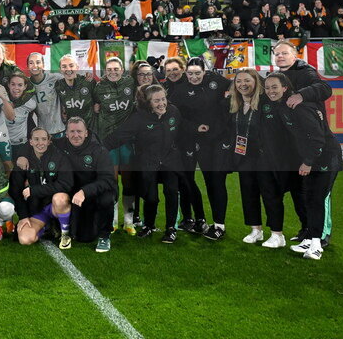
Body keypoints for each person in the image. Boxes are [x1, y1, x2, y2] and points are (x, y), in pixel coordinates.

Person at [262, 73, 343, 260]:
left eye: (274, 87)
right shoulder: (283, 106)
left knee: (316, 199)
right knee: (308, 198)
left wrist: (307, 162)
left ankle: (317, 245)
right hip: (311, 159)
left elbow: (317, 138)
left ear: (284, 87)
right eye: (267, 88)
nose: (270, 91)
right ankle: (309, 238)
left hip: (325, 159)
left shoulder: (299, 105)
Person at [272, 40, 335, 246]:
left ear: (295, 55)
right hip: (293, 146)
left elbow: (324, 88)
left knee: (319, 193)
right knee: (300, 192)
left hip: (315, 144)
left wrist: (301, 94)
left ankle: (321, 235)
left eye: (284, 53)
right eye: (277, 54)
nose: (280, 56)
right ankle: (307, 230)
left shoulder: (305, 71)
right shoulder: (279, 77)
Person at [103, 84, 183, 244]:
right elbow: (117, 137)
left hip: (170, 161)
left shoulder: (174, 112)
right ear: (148, 103)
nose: (162, 104)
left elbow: (182, 132)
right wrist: (98, 150)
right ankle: (149, 225)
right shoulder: (139, 118)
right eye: (156, 101)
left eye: (163, 99)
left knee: (171, 192)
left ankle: (171, 229)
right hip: (148, 163)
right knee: (151, 198)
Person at [236, 69, 303, 249]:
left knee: (270, 194)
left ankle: (277, 234)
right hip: (245, 157)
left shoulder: (267, 101)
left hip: (266, 157)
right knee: (248, 194)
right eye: (239, 81)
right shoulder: (235, 103)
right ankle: (255, 230)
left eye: (247, 81)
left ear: (256, 82)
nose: (243, 84)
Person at [168, 59, 231, 240]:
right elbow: (174, 115)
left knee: (216, 181)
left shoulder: (217, 81)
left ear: (205, 71)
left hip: (218, 141)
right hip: (195, 141)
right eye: (190, 73)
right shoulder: (180, 91)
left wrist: (229, 102)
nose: (194, 77)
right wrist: (194, 127)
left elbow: (238, 86)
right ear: (185, 74)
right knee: (200, 181)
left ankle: (219, 225)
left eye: (197, 73)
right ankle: (207, 222)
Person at [56, 117, 117, 253]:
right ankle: (55, 228)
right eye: (72, 131)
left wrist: (84, 191)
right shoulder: (60, 145)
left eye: (79, 131)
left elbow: (107, 180)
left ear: (86, 133)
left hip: (96, 192)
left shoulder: (99, 150)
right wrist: (23, 156)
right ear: (66, 134)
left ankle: (104, 235)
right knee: (82, 237)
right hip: (75, 194)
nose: (75, 135)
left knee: (107, 198)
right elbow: (38, 143)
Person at [92, 57, 138, 234]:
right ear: (105, 71)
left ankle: (128, 221)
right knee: (111, 181)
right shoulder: (99, 87)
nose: (113, 71)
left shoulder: (130, 82)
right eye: (109, 69)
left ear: (122, 70)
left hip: (126, 141)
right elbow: (94, 106)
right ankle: (112, 219)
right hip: (108, 141)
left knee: (128, 182)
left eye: (116, 68)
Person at [14, 128, 72, 246]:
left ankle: (65, 234)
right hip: (37, 210)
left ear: (49, 141)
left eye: (43, 139)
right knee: (25, 239)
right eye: (36, 139)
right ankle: (46, 228)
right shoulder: (23, 160)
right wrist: (23, 216)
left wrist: (34, 190)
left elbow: (66, 184)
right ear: (30, 142)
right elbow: (15, 189)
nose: (40, 143)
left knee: (60, 198)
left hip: (54, 206)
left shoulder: (59, 157)